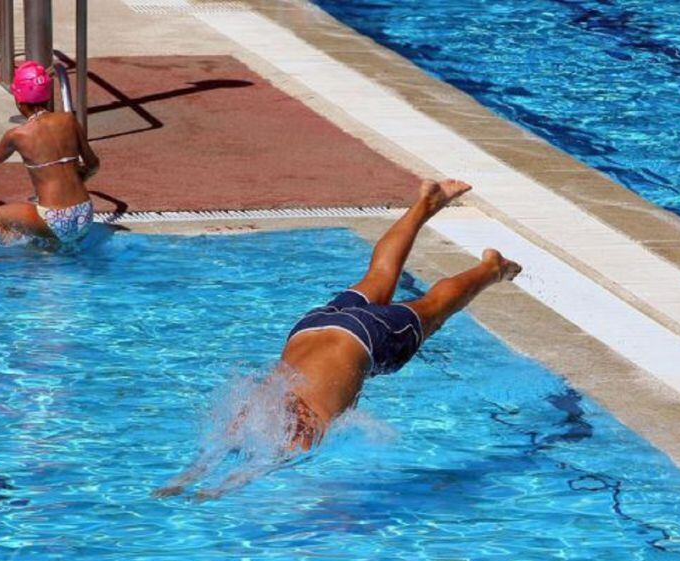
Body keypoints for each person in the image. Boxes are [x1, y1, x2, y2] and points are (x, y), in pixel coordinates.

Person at [155, 179, 522, 500]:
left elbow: (239, 463)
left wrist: (203, 488)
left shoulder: (278, 428)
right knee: (379, 276)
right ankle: (427, 201)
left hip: (364, 338)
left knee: (434, 309)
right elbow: (219, 459)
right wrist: (192, 484)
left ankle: (491, 267)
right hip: (312, 327)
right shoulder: (260, 405)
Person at [0, 61, 100, 244]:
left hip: (54, 220)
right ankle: (55, 250)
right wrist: (78, 176)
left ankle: (17, 264)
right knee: (47, 226)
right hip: (85, 213)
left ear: (19, 101)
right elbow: (93, 164)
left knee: (1, 217)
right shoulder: (69, 120)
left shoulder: (18, 135)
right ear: (47, 95)